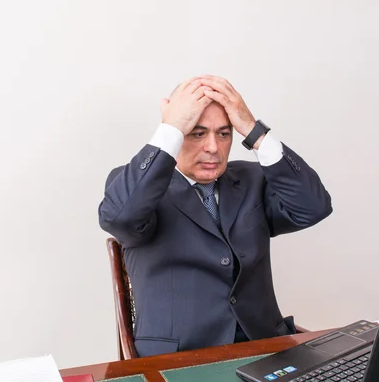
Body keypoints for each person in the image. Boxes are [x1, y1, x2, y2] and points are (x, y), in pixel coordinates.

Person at [98, 75, 332, 357]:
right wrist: (170, 128)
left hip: (266, 349)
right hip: (180, 360)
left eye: (224, 133)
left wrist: (252, 129)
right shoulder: (139, 187)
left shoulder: (251, 179)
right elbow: (119, 218)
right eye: (197, 133)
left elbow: (313, 207)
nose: (213, 147)